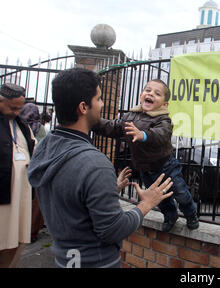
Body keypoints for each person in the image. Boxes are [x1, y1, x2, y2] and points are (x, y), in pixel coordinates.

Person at [27, 68, 174, 268]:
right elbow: (113, 229)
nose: (103, 104)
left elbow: (70, 198)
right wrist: (147, 203)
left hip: (65, 259)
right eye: (99, 99)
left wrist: (107, 190)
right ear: (83, 107)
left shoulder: (44, 147)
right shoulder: (94, 164)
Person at [93, 79, 199, 232]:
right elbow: (113, 127)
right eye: (148, 90)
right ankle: (170, 215)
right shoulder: (130, 116)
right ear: (141, 95)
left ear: (164, 104)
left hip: (166, 167)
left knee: (180, 192)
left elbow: (161, 135)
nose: (151, 94)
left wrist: (143, 135)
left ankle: (191, 213)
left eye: (157, 93)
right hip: (145, 169)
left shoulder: (163, 119)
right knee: (159, 199)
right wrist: (93, 123)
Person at [0, 83, 35, 268]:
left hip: (20, 196)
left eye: (19, 108)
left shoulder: (21, 125)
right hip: (3, 195)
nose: (16, 112)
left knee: (17, 240)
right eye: (12, 107)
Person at [19, 102, 47, 242]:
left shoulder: (19, 126)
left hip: (21, 169)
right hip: (37, 169)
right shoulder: (40, 128)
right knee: (35, 202)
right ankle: (31, 232)